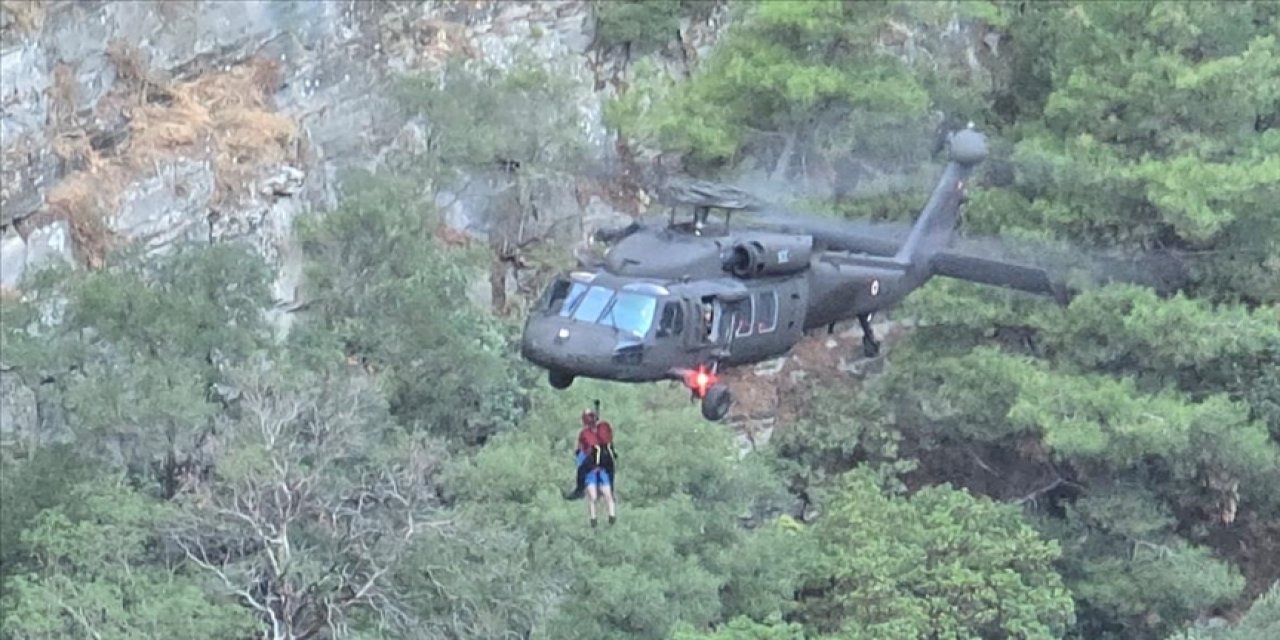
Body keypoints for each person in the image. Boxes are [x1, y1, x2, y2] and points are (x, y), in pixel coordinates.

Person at [565, 409, 617, 527]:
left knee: (582, 470)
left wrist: (580, 454)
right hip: (607, 459)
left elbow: (582, 450)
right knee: (609, 477)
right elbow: (610, 444)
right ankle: (610, 504)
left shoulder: (588, 433)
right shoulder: (603, 428)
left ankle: (579, 491)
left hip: (596, 458)